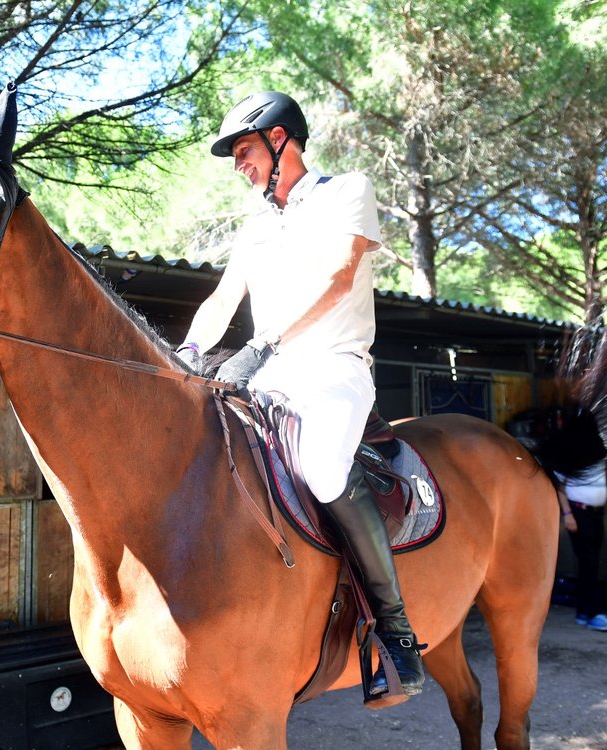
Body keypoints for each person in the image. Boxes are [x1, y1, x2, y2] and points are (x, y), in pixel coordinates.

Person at [175, 91, 424, 702]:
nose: (240, 165)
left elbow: (341, 277)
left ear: (281, 139)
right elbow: (221, 299)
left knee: (319, 466)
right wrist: (184, 355)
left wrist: (267, 342)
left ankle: (394, 632)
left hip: (334, 367)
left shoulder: (347, 192)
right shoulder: (257, 225)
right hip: (271, 374)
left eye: (245, 150)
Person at [556, 459, 607, 631]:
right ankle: (594, 614)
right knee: (589, 562)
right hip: (579, 513)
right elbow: (560, 488)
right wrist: (567, 514)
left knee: (590, 563)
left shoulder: (598, 453)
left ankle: (583, 612)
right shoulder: (572, 455)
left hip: (596, 514)